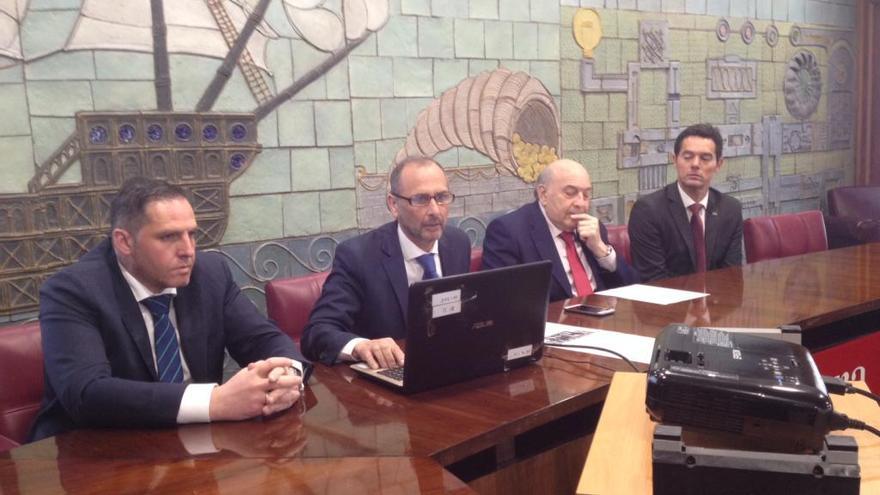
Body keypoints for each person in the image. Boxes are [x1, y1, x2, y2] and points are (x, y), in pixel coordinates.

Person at [30, 177, 307, 441]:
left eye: (192, 234)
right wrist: (214, 402)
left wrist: (287, 376)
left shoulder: (209, 274)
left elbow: (263, 339)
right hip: (95, 454)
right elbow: (87, 393)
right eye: (168, 237)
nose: (188, 250)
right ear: (124, 242)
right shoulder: (72, 291)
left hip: (199, 446)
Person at [300, 157, 471, 369]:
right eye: (420, 199)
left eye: (442, 197)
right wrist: (361, 346)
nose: (435, 210)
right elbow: (317, 332)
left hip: (449, 368)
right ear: (393, 205)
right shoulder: (358, 256)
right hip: (388, 380)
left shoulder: (458, 243)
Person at [481, 158, 639, 302]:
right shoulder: (509, 232)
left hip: (605, 321)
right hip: (553, 326)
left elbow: (633, 289)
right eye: (570, 193)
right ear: (543, 194)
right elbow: (501, 303)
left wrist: (601, 251)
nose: (581, 203)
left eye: (586, 195)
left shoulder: (593, 229)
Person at [628, 123, 743, 281]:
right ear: (675, 160)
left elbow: (731, 278)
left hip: (718, 302)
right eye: (688, 157)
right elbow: (654, 282)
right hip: (666, 303)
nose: (695, 164)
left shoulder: (730, 209)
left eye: (705, 158)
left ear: (719, 164)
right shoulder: (648, 211)